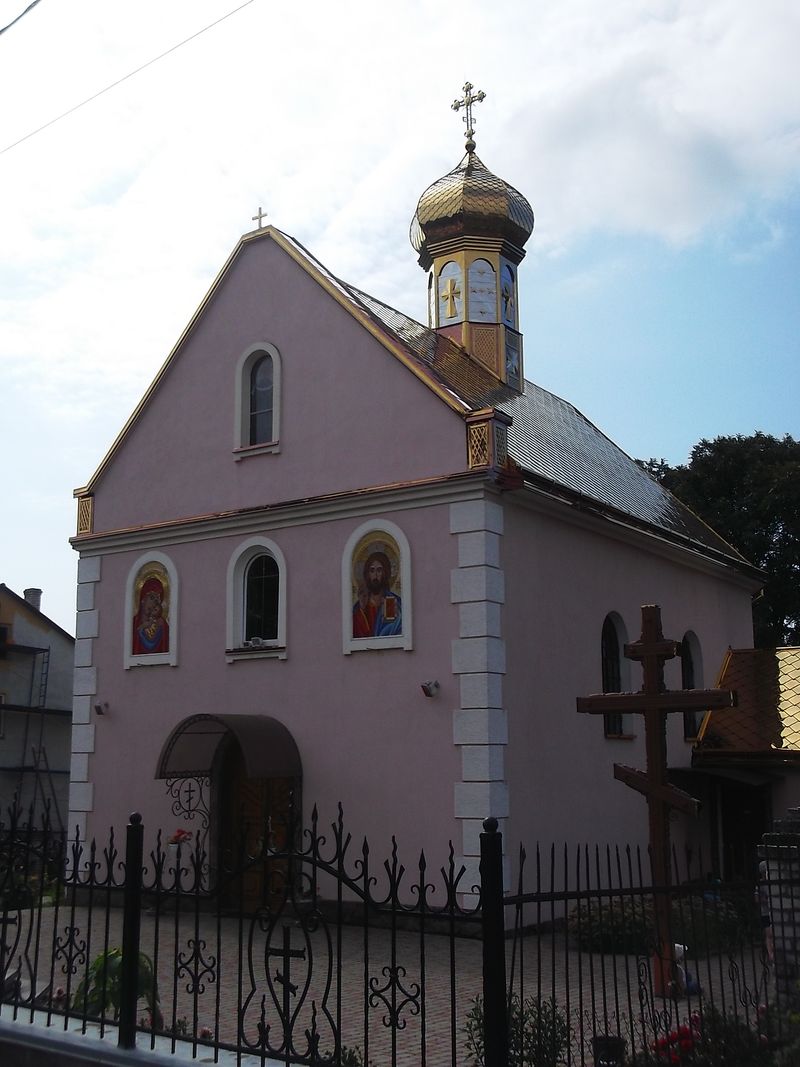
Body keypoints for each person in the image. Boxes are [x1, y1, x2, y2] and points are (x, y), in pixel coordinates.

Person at [353, 551, 402, 638]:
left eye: (379, 570)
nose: (375, 576)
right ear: (367, 574)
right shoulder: (359, 607)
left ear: (385, 573)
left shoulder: (394, 602)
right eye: (372, 570)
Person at [133, 576, 170, 654]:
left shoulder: (162, 624)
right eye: (152, 598)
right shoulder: (133, 623)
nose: (154, 604)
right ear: (143, 599)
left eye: (157, 601)